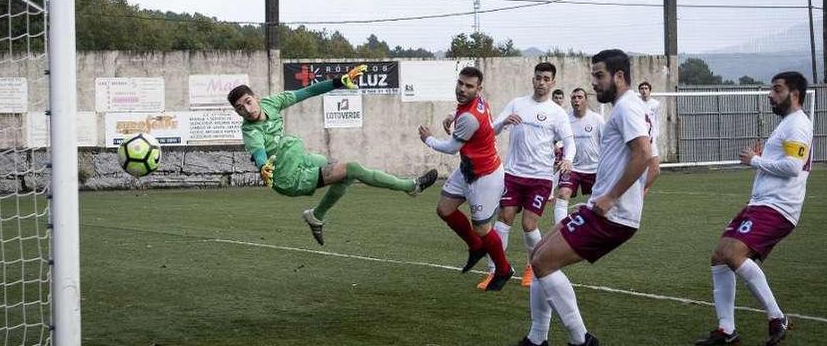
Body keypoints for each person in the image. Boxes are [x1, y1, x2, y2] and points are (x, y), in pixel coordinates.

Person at [513, 49, 651, 346]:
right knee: (537, 256)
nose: (594, 82)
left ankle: (581, 340)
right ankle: (537, 338)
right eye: (593, 75)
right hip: (602, 209)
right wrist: (611, 197)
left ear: (619, 76)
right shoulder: (628, 107)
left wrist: (614, 199)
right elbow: (653, 163)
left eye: (599, 75)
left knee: (544, 263)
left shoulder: (627, 107)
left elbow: (644, 155)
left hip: (612, 216)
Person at [228, 65, 437, 246]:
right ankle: (411, 186)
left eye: (248, 101)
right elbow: (258, 151)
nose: (247, 109)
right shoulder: (250, 132)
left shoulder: (271, 103)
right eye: (240, 108)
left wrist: (340, 81)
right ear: (238, 113)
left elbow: (308, 91)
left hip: (298, 159)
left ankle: (316, 216)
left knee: (344, 173)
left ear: (256, 97)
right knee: (349, 167)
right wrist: (263, 165)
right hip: (285, 176)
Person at [694, 72, 813, 346]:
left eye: (777, 90)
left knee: (733, 254)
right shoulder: (787, 123)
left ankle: (777, 317)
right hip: (761, 203)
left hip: (778, 207)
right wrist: (766, 157)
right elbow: (785, 159)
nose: (771, 95)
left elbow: (793, 168)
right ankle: (726, 331)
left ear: (794, 94)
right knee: (719, 257)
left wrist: (757, 160)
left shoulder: (797, 124)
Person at [478, 62, 576, 290]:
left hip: (540, 178)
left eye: (546, 79)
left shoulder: (557, 113)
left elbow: (570, 142)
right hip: (513, 174)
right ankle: (494, 271)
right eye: (538, 78)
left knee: (529, 224)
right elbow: (491, 129)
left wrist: (568, 158)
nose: (541, 82)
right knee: (504, 219)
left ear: (552, 82)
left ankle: (533, 266)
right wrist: (504, 122)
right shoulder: (517, 104)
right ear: (533, 79)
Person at [419, 66, 514, 291]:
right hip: (468, 168)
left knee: (482, 228)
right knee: (444, 209)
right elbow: (464, 111)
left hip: (485, 176)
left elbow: (452, 148)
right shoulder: (474, 103)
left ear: (478, 89)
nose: (462, 89)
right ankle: (475, 247)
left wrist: (428, 139)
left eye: (469, 86)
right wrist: (453, 115)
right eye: (460, 83)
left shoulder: (470, 117)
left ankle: (503, 269)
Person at [553, 87, 605, 224]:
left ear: (586, 100)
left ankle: (592, 228)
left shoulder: (597, 119)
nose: (576, 100)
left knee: (597, 202)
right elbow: (553, 138)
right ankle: (561, 230)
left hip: (594, 168)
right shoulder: (565, 119)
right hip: (572, 167)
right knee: (563, 194)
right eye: (574, 97)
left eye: (580, 97)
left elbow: (607, 142)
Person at [638, 81, 661, 194]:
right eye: (642, 88)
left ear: (650, 90)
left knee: (655, 170)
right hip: (640, 141)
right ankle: (638, 190)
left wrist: (655, 135)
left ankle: (642, 188)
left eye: (646, 88)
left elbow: (656, 121)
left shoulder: (655, 104)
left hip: (652, 140)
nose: (644, 90)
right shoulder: (636, 104)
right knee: (640, 168)